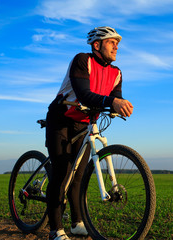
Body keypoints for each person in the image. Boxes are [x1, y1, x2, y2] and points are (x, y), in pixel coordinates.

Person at [45, 26, 133, 240]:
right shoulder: (82, 60)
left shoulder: (116, 73)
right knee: (62, 172)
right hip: (61, 120)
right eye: (112, 42)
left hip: (85, 124)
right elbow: (84, 95)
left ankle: (77, 223)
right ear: (97, 45)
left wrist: (118, 106)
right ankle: (55, 229)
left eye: (117, 43)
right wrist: (112, 101)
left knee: (79, 176)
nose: (116, 46)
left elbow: (112, 100)